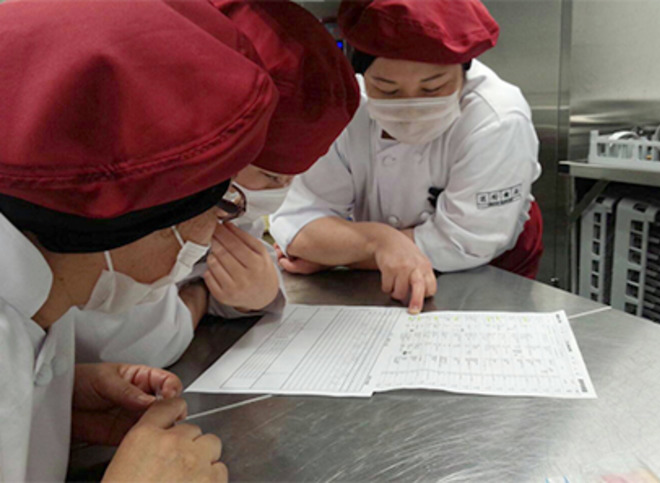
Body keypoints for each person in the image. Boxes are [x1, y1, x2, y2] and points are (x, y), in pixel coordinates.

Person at [0, 0, 280, 480]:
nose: (216, 230)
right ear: (130, 224)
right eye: (220, 206)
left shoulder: (45, 289)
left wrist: (56, 400)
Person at [73, 0, 360, 368]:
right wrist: (202, 298)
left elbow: (234, 266)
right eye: (271, 177)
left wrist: (254, 294)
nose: (276, 193)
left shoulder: (228, 195)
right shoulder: (130, 185)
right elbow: (130, 346)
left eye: (289, 180)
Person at [271, 0, 544, 314]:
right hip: (375, 282)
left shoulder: (497, 118)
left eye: (433, 88)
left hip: (486, 270)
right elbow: (298, 223)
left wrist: (340, 253)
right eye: (387, 90)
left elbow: (467, 242)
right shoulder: (344, 106)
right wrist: (377, 242)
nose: (411, 109)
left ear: (463, 71)